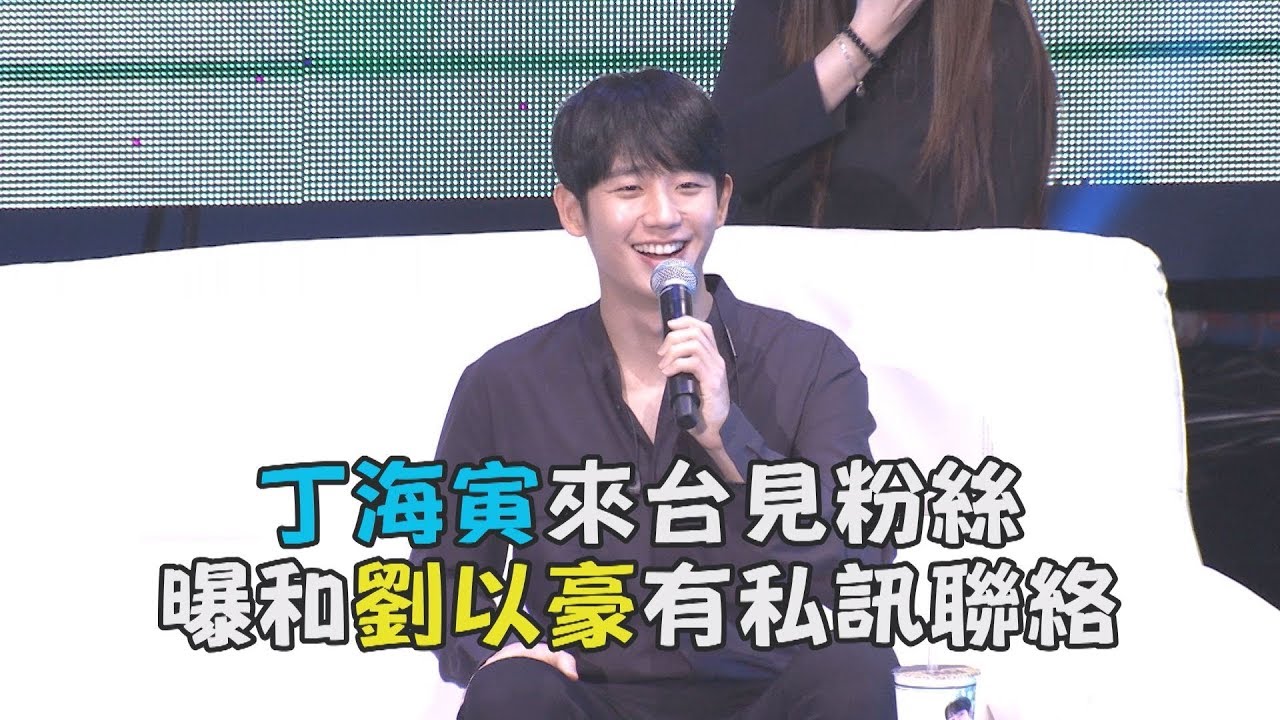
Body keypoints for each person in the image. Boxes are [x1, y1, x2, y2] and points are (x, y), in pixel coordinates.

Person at [413, 68, 898, 719]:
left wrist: (730, 439)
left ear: (723, 200)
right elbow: (441, 583)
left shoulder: (810, 363)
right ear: (572, 210)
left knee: (854, 668)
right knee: (512, 690)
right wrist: (495, 653)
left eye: (688, 186)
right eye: (630, 188)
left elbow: (859, 565)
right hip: (588, 698)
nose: (664, 215)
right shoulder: (505, 383)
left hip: (765, 698)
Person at [712, 0, 1057, 230]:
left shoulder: (995, 31)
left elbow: (993, 238)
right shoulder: (781, 10)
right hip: (783, 300)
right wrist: (863, 39)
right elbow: (720, 167)